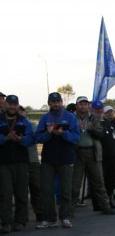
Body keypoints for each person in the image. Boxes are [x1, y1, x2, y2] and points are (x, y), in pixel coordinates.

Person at [34, 92, 80, 228]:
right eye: (53, 102)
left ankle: (65, 217)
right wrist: (48, 133)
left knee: (66, 190)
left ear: (61, 102)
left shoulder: (70, 117)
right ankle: (50, 219)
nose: (56, 104)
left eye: (58, 101)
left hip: (65, 158)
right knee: (47, 190)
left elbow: (76, 138)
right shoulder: (44, 118)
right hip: (48, 159)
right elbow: (37, 138)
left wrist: (63, 133)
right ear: (49, 103)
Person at [71, 97, 115, 216]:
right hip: (77, 153)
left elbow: (101, 134)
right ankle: (68, 211)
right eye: (81, 104)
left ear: (88, 106)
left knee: (99, 182)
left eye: (85, 104)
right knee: (75, 185)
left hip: (92, 153)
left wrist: (91, 130)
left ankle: (105, 207)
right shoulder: (71, 118)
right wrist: (76, 130)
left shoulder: (93, 118)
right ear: (77, 106)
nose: (83, 106)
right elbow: (67, 133)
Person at [0, 95, 34, 233]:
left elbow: (31, 138)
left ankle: (20, 221)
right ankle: (5, 222)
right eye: (10, 104)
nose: (12, 107)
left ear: (18, 105)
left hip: (21, 161)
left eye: (15, 104)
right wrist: (4, 138)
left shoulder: (23, 121)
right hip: (3, 162)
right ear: (5, 105)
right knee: (5, 193)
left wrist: (20, 139)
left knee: (21, 193)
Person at [98, 104, 115, 205]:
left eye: (111, 111)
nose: (110, 114)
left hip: (112, 155)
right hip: (102, 156)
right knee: (103, 180)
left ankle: (110, 199)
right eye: (107, 112)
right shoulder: (100, 123)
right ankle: (103, 201)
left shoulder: (114, 123)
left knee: (111, 179)